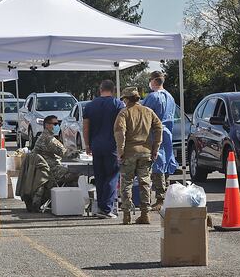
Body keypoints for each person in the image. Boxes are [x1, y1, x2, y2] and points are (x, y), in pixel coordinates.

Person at [114, 87, 162, 225]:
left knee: (126, 183)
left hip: (129, 152)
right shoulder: (148, 112)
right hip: (146, 152)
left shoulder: (124, 113)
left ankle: (127, 215)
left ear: (127, 99)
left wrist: (120, 150)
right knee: (145, 183)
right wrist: (156, 147)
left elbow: (119, 132)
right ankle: (145, 214)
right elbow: (159, 128)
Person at [83, 80, 125, 219]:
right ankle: (107, 208)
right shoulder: (118, 104)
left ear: (100, 89)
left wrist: (87, 144)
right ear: (113, 90)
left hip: (96, 145)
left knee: (99, 177)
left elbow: (86, 127)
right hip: (112, 145)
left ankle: (101, 206)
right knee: (112, 177)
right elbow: (121, 127)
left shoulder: (90, 105)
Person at [141, 71, 179, 211]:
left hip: (155, 133)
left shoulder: (153, 97)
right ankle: (165, 196)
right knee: (165, 163)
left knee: (157, 164)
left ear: (154, 81)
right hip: (167, 132)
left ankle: (160, 198)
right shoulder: (170, 97)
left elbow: (144, 115)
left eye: (150, 80)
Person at [33, 115, 79, 186]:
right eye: (55, 124)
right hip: (51, 169)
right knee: (77, 175)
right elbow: (66, 153)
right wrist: (79, 153)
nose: (57, 126)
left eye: (57, 124)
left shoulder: (44, 136)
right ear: (47, 125)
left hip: (43, 169)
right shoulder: (49, 139)